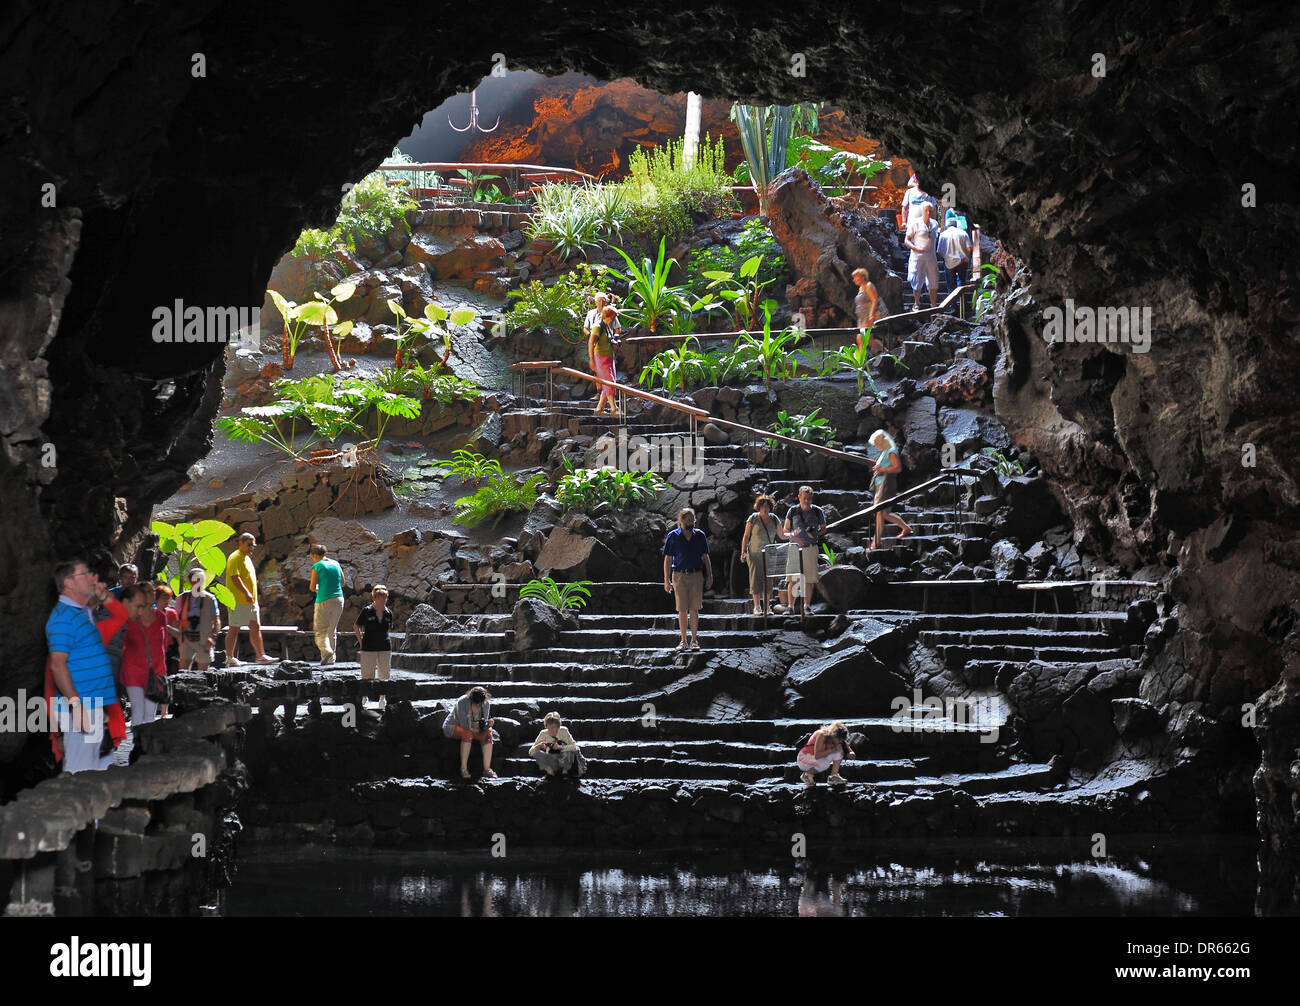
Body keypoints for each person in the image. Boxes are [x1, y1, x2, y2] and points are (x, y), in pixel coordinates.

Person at [45, 559, 127, 773]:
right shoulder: (64, 618)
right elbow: (57, 666)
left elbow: (120, 615)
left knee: (93, 767)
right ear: (69, 584)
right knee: (80, 773)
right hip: (78, 708)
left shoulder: (84, 613)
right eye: (84, 575)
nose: (92, 578)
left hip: (92, 703)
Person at [662, 506, 712, 651]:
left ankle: (694, 640)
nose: (691, 523)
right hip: (679, 575)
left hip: (696, 574)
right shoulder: (673, 536)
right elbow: (668, 558)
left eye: (693, 520)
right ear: (681, 521)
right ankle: (683, 640)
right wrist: (666, 579)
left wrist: (710, 575)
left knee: (694, 608)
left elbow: (705, 556)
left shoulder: (700, 535)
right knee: (682, 609)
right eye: (688, 520)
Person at [120, 582, 169, 727]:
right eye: (147, 591)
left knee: (150, 713)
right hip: (134, 671)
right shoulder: (131, 618)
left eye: (152, 591)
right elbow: (122, 644)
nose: (152, 594)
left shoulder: (161, 617)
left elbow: (164, 644)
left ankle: (145, 747)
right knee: (138, 711)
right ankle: (138, 745)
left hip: (156, 671)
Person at [224, 533, 277, 665]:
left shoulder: (246, 558)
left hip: (251, 601)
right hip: (238, 600)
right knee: (234, 627)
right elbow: (234, 577)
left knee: (255, 626)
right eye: (249, 545)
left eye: (253, 545)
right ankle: (229, 658)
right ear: (240, 544)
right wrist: (246, 592)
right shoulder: (235, 557)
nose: (251, 548)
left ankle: (260, 656)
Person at [782, 486, 828, 613]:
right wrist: (794, 536)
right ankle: (790, 607)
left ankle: (806, 606)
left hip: (810, 548)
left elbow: (823, 528)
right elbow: (785, 530)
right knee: (793, 578)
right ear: (799, 497)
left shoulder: (818, 511)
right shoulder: (792, 511)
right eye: (804, 498)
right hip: (795, 547)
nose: (806, 501)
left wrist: (814, 534)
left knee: (809, 579)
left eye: (809, 498)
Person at [868, 429, 914, 549]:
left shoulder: (891, 451)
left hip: (887, 486)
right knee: (884, 513)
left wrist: (882, 469)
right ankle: (906, 528)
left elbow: (898, 468)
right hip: (881, 485)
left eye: (877, 444)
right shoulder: (885, 451)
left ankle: (876, 542)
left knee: (880, 512)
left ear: (883, 442)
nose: (876, 446)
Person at [739, 495, 781, 616]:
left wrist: (793, 535)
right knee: (755, 579)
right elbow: (746, 536)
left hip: (770, 554)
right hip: (754, 553)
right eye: (762, 506)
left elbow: (781, 535)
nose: (765, 508)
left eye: (767, 506)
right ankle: (757, 607)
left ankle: (767, 607)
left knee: (768, 581)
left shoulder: (774, 519)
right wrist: (743, 552)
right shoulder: (753, 518)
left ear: (770, 507)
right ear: (758, 507)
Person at [442, 686, 496, 779]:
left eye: (480, 704)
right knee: (467, 734)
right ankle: (463, 768)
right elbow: (465, 726)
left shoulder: (486, 704)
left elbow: (484, 726)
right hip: (453, 726)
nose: (478, 706)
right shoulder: (462, 702)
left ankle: (487, 769)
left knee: (488, 735)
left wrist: (488, 725)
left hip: (474, 729)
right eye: (475, 704)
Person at [353, 584, 393, 709]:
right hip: (368, 646)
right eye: (381, 598)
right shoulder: (367, 611)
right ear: (375, 598)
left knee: (384, 673)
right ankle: (365, 696)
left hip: (384, 646)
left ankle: (382, 698)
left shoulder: (388, 613)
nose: (383, 600)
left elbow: (389, 629)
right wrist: (361, 641)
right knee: (367, 673)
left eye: (385, 598)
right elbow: (356, 626)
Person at [176, 568, 221, 670]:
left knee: (204, 671)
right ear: (191, 581)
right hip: (186, 638)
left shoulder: (210, 599)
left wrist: (212, 638)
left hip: (204, 639)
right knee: (183, 670)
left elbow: (216, 621)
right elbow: (175, 620)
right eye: (196, 580)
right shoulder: (181, 598)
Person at [308, 544, 345, 666]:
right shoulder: (336, 564)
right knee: (332, 630)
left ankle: (326, 651)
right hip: (339, 599)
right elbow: (343, 582)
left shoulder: (317, 566)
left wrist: (319, 588)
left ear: (313, 555)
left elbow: (312, 587)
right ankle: (330, 660)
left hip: (324, 599)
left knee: (320, 631)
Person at [528, 711, 588, 778]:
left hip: (565, 760)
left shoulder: (563, 731)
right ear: (546, 726)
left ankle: (565, 773)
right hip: (551, 760)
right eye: (549, 727)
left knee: (569, 751)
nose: (551, 730)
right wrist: (538, 746)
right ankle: (550, 773)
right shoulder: (543, 734)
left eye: (554, 727)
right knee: (537, 753)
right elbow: (531, 752)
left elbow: (575, 747)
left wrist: (560, 747)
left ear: (558, 726)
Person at [797, 720, 855, 788]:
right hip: (804, 758)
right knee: (825, 764)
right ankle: (807, 775)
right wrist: (833, 749)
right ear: (833, 735)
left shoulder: (839, 739)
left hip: (815, 759)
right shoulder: (822, 735)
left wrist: (850, 754)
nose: (840, 741)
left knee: (839, 752)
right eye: (839, 739)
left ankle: (833, 777)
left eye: (841, 740)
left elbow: (851, 752)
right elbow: (817, 755)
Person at [588, 304, 622, 417]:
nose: (612, 321)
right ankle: (614, 409)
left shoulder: (607, 327)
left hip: (609, 357)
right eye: (611, 318)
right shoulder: (597, 326)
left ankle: (599, 410)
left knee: (609, 383)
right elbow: (590, 343)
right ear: (606, 316)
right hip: (600, 357)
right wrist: (591, 360)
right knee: (609, 382)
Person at [905, 202, 940, 310]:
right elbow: (906, 240)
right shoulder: (915, 223)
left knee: (933, 280)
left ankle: (933, 304)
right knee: (917, 279)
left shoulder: (934, 224)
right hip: (918, 257)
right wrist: (915, 248)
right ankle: (916, 302)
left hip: (931, 257)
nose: (928, 212)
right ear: (922, 211)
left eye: (930, 210)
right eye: (926, 210)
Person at [937, 210, 972, 291]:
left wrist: (946, 257)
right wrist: (964, 256)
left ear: (947, 225)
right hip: (962, 261)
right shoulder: (963, 233)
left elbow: (939, 251)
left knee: (951, 284)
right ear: (956, 225)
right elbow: (969, 248)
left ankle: (953, 303)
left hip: (949, 262)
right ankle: (961, 301)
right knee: (962, 283)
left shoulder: (943, 235)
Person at [851, 268, 883, 351]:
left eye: (855, 277)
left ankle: (861, 362)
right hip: (862, 317)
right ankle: (887, 352)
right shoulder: (861, 288)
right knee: (868, 340)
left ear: (862, 277)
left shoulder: (868, 286)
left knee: (861, 339)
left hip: (868, 316)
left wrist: (871, 315)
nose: (854, 280)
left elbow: (874, 300)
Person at [154, 583, 181, 677]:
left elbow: (178, 634)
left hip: (169, 650)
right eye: (163, 598)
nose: (166, 601)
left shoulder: (172, 613)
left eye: (168, 598)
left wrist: (167, 627)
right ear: (156, 598)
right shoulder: (149, 612)